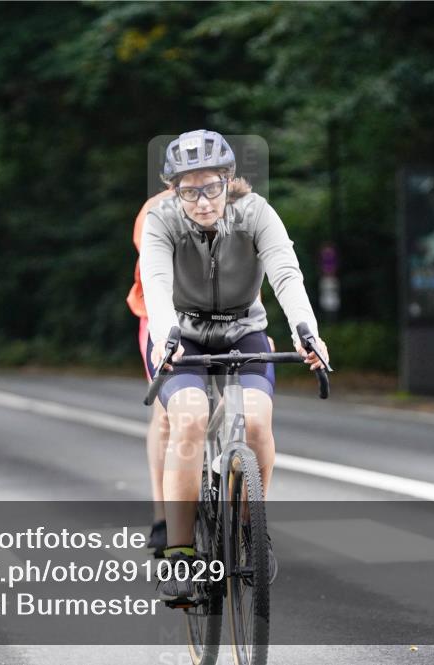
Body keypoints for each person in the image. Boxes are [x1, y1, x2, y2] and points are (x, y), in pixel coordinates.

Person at [140, 130, 329, 604]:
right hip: (180, 336)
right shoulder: (160, 221)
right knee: (188, 420)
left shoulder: (257, 213)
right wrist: (166, 338)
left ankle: (251, 532)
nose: (202, 201)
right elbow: (157, 285)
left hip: (244, 329)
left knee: (259, 424)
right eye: (189, 190)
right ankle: (180, 553)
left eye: (211, 187)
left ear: (229, 180)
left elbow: (286, 272)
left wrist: (306, 330)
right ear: (173, 189)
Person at [128, 187, 176, 558]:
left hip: (215, 319)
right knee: (165, 414)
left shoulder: (230, 205)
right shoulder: (154, 210)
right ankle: (163, 515)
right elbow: (157, 276)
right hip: (159, 316)